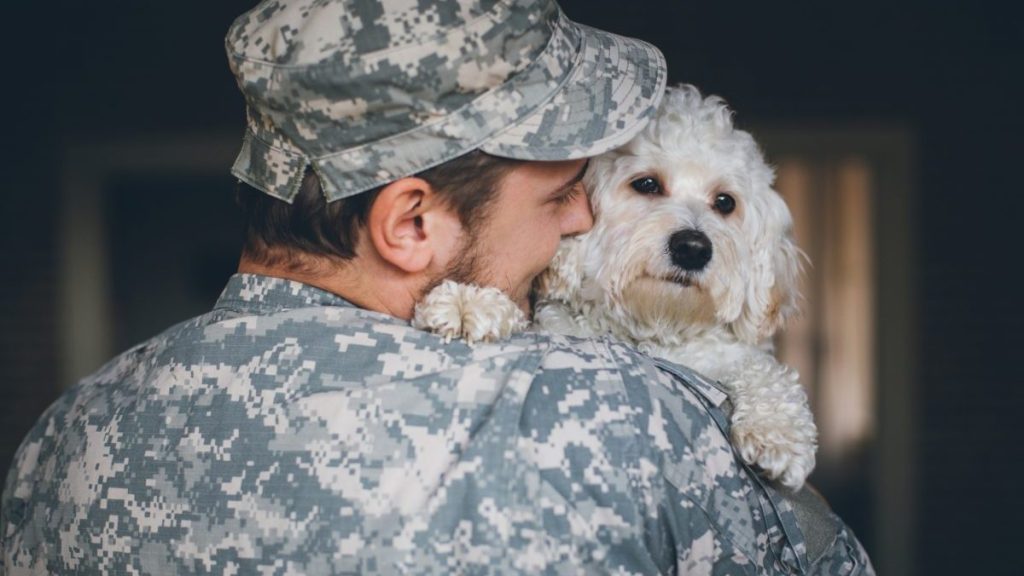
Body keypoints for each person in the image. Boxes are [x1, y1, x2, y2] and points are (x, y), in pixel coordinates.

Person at [0, 0, 873, 573]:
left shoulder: (55, 447)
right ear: (411, 225)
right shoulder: (635, 418)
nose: (579, 221)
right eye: (560, 193)